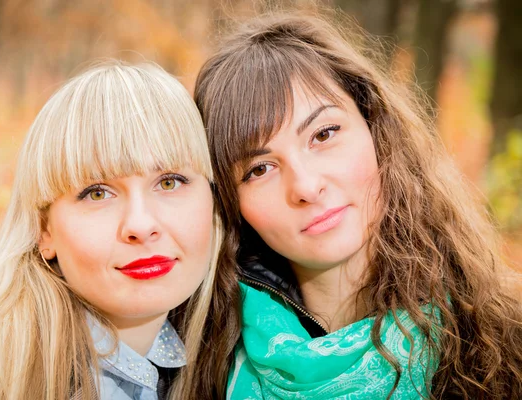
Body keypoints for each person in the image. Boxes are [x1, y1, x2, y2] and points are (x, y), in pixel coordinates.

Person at [192, 12, 522, 399]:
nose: (307, 186)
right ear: (230, 204)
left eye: (324, 133)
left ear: (375, 127)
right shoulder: (198, 368)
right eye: (260, 168)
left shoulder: (506, 344)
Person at [0, 61, 223, 400]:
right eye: (97, 193)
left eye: (169, 182)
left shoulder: (238, 370)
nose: (141, 225)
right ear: (43, 230)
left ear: (214, 202)